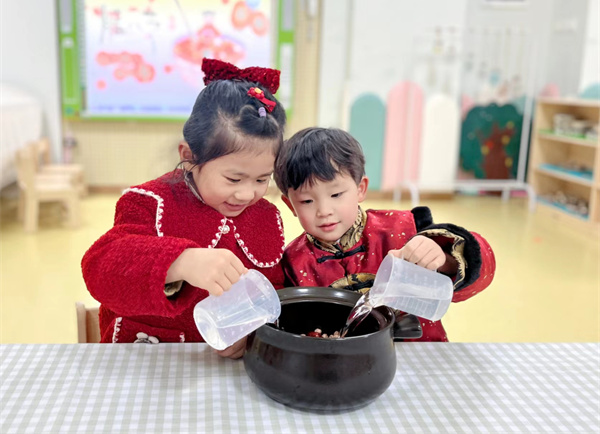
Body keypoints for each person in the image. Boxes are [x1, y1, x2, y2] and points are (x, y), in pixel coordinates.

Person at [82, 59, 287, 357]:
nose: (247, 194)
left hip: (222, 370)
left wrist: (252, 332)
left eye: (262, 179)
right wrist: (180, 262)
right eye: (233, 179)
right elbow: (100, 269)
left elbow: (272, 293)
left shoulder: (266, 216)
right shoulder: (150, 202)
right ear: (189, 157)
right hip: (144, 361)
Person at [273, 127, 496, 341]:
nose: (324, 211)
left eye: (336, 194)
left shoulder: (404, 228)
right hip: (344, 360)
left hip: (420, 352)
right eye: (307, 201)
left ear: (360, 189)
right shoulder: (292, 262)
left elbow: (481, 275)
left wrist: (445, 260)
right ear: (290, 205)